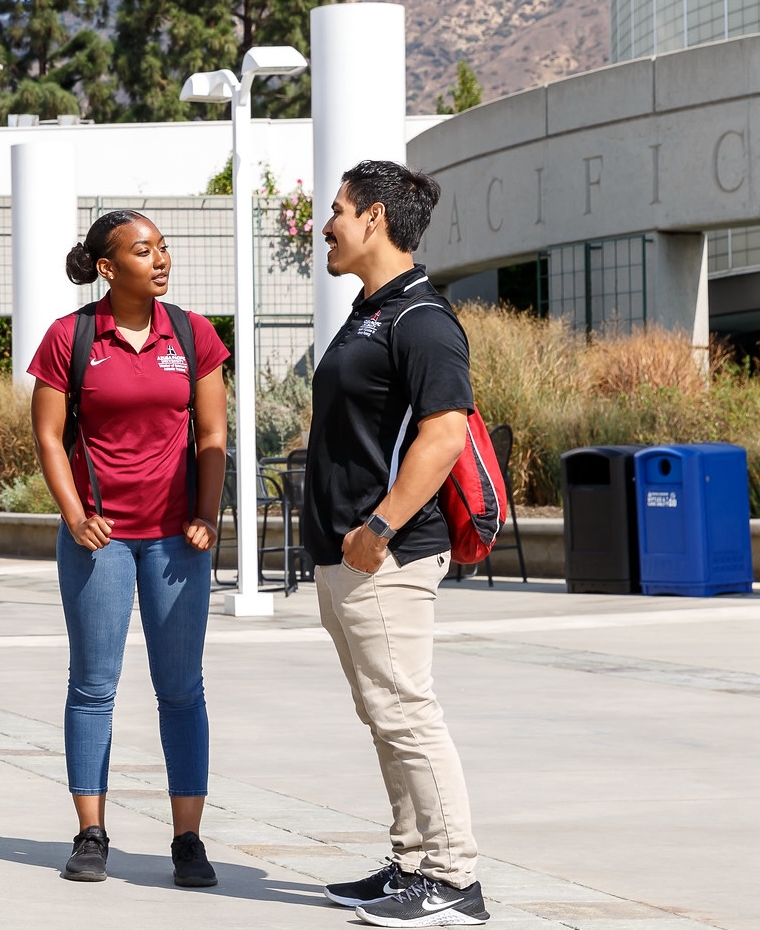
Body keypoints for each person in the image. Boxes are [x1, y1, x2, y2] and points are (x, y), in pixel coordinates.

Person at [304, 160, 488, 927]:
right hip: (347, 553)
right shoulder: (369, 310)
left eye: (338, 210)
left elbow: (444, 434)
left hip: (388, 554)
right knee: (381, 713)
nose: (325, 225)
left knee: (407, 713)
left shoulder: (422, 319)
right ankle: (410, 860)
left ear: (373, 217)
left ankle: (453, 879)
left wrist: (377, 529)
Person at [25, 210, 229, 888]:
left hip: (176, 542)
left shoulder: (193, 334)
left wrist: (206, 516)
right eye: (144, 251)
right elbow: (50, 436)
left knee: (181, 691)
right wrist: (75, 514)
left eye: (163, 248)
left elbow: (211, 434)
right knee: (92, 687)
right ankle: (90, 833)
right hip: (101, 540)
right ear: (108, 268)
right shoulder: (70, 337)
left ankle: (188, 842)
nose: (160, 260)